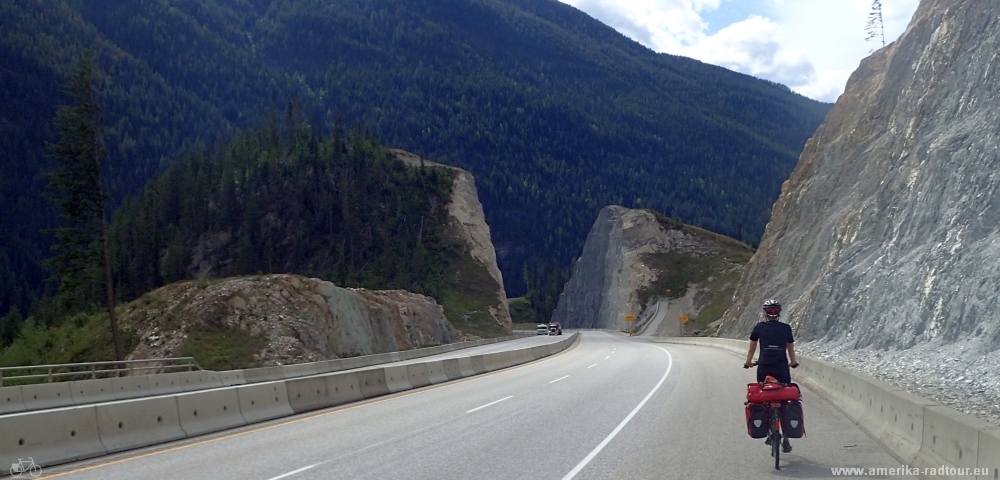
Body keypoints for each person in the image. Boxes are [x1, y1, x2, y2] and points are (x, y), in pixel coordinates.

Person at [743, 298, 799, 453]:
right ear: (779, 313)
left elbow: (751, 349)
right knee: (785, 399)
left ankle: (769, 430)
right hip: (781, 367)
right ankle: (786, 439)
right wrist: (793, 362)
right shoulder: (786, 328)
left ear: (765, 313)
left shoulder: (759, 327)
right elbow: (790, 350)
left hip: (764, 367)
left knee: (765, 399)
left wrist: (748, 362)